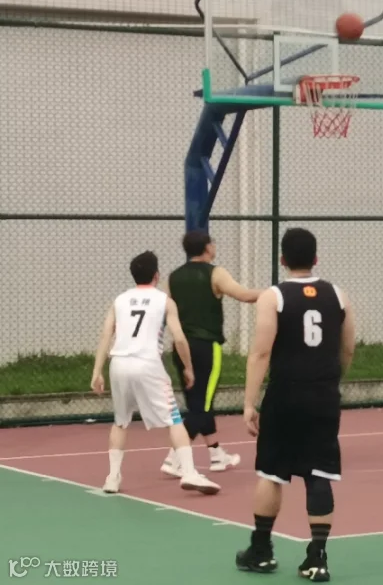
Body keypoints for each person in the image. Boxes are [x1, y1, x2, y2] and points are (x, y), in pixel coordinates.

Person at [236, 228, 356, 581]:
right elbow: (348, 348)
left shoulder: (273, 296)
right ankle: (317, 558)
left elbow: (260, 352)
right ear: (316, 258)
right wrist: (333, 380)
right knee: (319, 473)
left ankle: (261, 550)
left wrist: (249, 403)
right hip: (324, 395)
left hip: (285, 394)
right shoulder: (338, 295)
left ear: (282, 259)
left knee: (271, 472)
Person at [90, 251, 220, 496]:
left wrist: (97, 371)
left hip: (119, 363)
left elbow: (106, 334)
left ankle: (112, 477)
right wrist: (188, 367)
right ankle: (189, 472)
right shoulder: (164, 301)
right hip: (147, 364)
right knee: (174, 419)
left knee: (120, 421)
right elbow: (179, 338)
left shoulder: (120, 300)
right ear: (157, 275)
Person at [159, 230, 262, 478]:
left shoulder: (173, 277)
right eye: (213, 243)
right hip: (206, 347)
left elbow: (163, 310)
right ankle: (174, 458)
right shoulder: (215, 273)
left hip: (181, 348)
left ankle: (216, 454)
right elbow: (244, 295)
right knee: (201, 408)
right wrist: (277, 293)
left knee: (199, 403)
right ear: (207, 247)